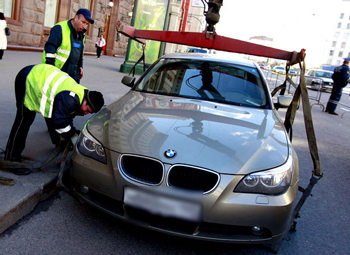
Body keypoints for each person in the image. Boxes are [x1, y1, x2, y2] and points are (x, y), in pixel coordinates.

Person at [4, 64, 104, 175]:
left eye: (89, 113)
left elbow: (66, 117)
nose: (86, 113)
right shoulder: (70, 99)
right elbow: (60, 123)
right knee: (24, 119)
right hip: (29, 78)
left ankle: (58, 142)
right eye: (87, 110)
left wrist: (68, 136)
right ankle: (11, 159)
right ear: (85, 101)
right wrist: (71, 136)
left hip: (40, 78)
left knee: (56, 117)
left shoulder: (81, 96)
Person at [42, 8, 94, 84]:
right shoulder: (60, 28)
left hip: (74, 74)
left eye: (86, 24)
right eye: (83, 22)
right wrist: (51, 70)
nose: (84, 26)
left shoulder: (81, 34)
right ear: (76, 18)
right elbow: (50, 50)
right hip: (58, 72)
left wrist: (80, 66)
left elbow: (80, 52)